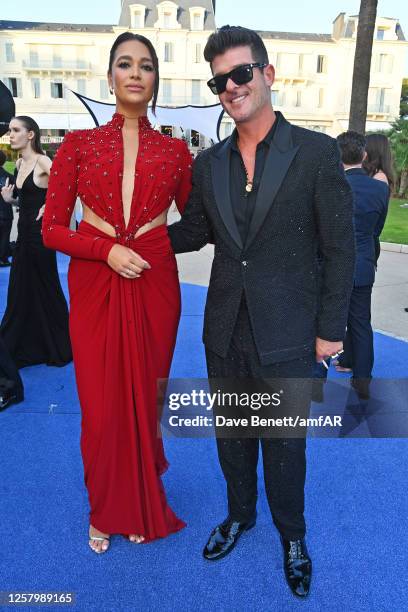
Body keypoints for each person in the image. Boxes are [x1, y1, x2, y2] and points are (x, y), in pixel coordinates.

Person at [168, 26, 355, 598]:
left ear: (267, 75)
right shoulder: (210, 163)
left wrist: (329, 331)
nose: (230, 86)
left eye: (240, 73)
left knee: (284, 441)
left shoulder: (317, 152)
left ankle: (292, 535)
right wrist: (132, 234)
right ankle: (239, 516)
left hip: (290, 329)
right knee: (232, 433)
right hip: (225, 325)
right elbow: (198, 231)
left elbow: (340, 248)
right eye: (219, 80)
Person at [42, 32, 192, 554]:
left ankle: (139, 499)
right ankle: (107, 506)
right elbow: (51, 229)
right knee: (103, 405)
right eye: (124, 64)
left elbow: (196, 223)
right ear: (110, 78)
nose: (135, 73)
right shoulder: (77, 146)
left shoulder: (175, 151)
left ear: (155, 80)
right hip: (96, 282)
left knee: (144, 402)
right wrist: (105, 250)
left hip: (154, 283)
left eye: (145, 66)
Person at [0, 116, 72, 368]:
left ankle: (58, 343)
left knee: (46, 288)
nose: (11, 135)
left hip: (41, 239)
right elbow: (27, 202)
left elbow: (65, 188)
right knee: (21, 290)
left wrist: (50, 206)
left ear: (30, 135)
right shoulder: (19, 163)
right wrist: (12, 202)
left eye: (16, 130)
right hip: (22, 237)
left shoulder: (43, 161)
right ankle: (27, 343)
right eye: (10, 130)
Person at [335, 131, 389, 398]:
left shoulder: (330, 185)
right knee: (360, 322)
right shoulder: (380, 188)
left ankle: (315, 377)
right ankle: (362, 380)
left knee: (321, 319)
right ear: (364, 155)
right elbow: (376, 230)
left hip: (332, 267)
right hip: (363, 265)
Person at [0, 150, 14, 266]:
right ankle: (3, 259)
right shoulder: (9, 177)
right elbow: (16, 194)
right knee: (5, 236)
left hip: (5, 213)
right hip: (5, 212)